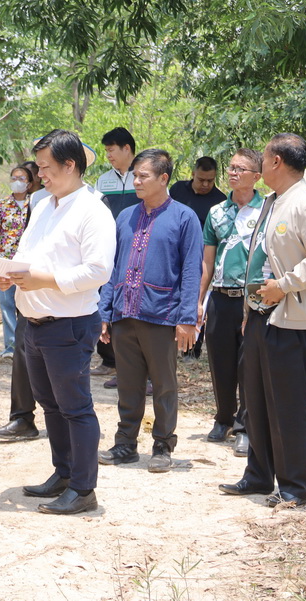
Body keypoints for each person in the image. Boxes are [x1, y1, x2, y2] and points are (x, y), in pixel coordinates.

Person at [219, 134, 306, 508]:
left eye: (264, 158)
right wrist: (249, 311)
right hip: (261, 315)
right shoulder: (274, 201)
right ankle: (258, 476)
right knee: (255, 399)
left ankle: (294, 487)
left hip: (294, 318)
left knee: (287, 405)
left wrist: (284, 287)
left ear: (275, 162)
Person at [1, 130, 114, 515]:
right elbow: (30, 254)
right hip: (33, 321)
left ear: (71, 165)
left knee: (75, 408)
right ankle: (63, 474)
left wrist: (43, 281)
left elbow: (98, 270)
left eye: (46, 168)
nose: (39, 175)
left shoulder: (93, 210)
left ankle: (84, 489)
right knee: (50, 404)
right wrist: (11, 274)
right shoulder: (43, 205)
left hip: (67, 323)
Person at [98, 149, 202, 473]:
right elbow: (113, 268)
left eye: (143, 175)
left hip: (162, 316)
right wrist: (105, 312)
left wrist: (186, 319)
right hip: (124, 314)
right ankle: (125, 444)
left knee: (164, 384)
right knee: (128, 384)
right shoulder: (125, 216)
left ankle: (162, 445)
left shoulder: (184, 218)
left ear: (163, 178)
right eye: (135, 175)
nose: (136, 180)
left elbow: (190, 272)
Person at [197, 149, 264, 456]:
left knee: (249, 364)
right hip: (221, 298)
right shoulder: (216, 213)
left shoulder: (267, 210)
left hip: (252, 300)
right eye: (232, 167)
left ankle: (245, 426)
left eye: (241, 168)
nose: (234, 172)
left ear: (257, 176)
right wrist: (198, 301)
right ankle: (223, 418)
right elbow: (207, 264)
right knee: (220, 363)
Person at [93, 127, 140, 385]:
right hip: (110, 252)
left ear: (126, 149)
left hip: (139, 251)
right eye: (107, 150)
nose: (108, 155)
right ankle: (111, 361)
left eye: (112, 149)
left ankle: (139, 371)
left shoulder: (145, 175)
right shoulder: (102, 181)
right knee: (107, 303)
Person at [170, 156, 227, 361]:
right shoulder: (176, 190)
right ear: (193, 173)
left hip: (202, 257)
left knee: (197, 299)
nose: (205, 185)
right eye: (201, 179)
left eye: (210, 180)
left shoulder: (220, 201)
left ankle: (192, 348)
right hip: (174, 253)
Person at [0, 165, 32, 358]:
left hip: (28, 266)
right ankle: (11, 347)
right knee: (6, 305)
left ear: (29, 183)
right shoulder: (1, 206)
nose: (17, 181)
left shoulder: (37, 204)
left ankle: (27, 346)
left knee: (27, 306)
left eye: (21, 178)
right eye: (14, 178)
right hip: (5, 263)